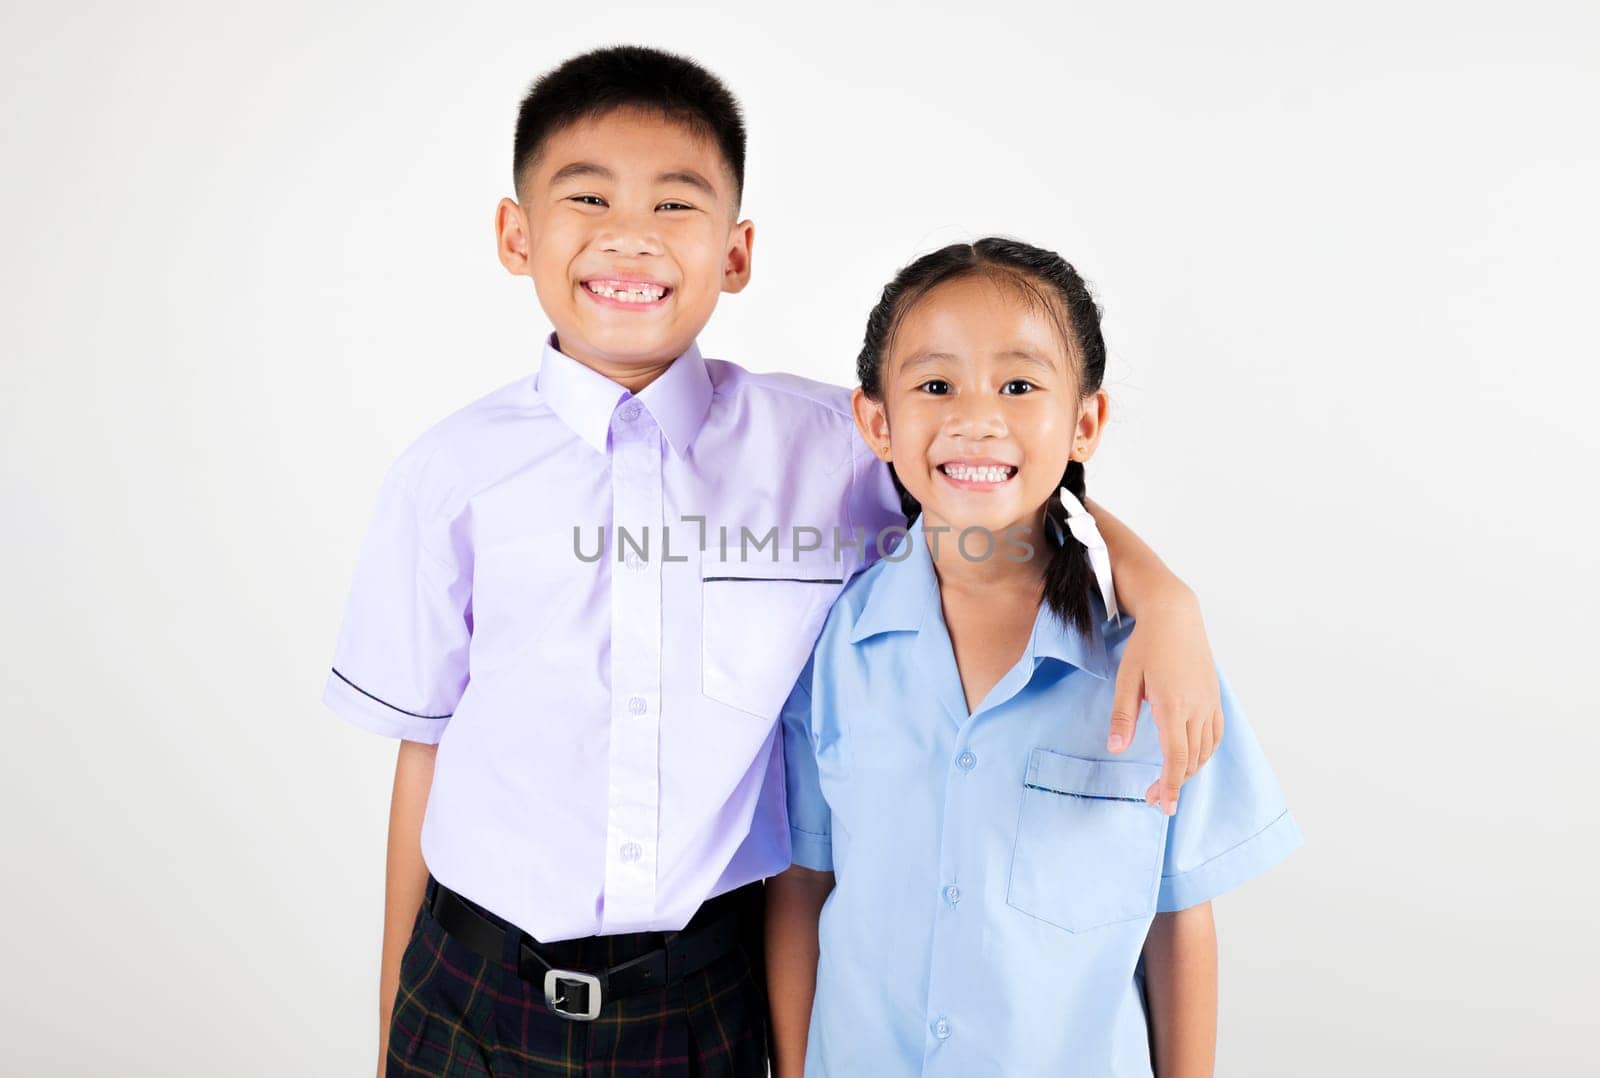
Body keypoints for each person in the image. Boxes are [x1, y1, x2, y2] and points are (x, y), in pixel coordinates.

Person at [323, 47, 1229, 1076]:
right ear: (514, 233)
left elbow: (1001, 488)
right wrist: (395, 1015)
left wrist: (1166, 596)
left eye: (676, 205)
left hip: (707, 992)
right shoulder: (446, 475)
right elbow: (423, 751)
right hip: (477, 988)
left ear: (737, 251)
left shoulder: (829, 447)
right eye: (586, 196)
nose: (629, 234)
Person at [766, 238, 1303, 1078]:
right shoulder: (837, 644)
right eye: (935, 384)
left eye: (1019, 386)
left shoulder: (1154, 661)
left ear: (1084, 421)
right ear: (877, 420)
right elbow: (804, 883)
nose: (977, 417)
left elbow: (1178, 915)